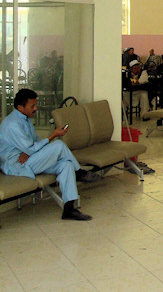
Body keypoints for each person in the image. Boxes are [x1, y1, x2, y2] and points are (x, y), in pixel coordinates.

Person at [0, 88, 96, 220]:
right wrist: (53, 135)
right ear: (20, 108)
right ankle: (79, 172)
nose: (36, 108)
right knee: (59, 144)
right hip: (18, 165)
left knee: (66, 164)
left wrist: (29, 150)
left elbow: (32, 146)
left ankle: (69, 209)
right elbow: (32, 148)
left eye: (36, 104)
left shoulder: (26, 119)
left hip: (30, 159)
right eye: (32, 106)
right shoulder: (12, 124)